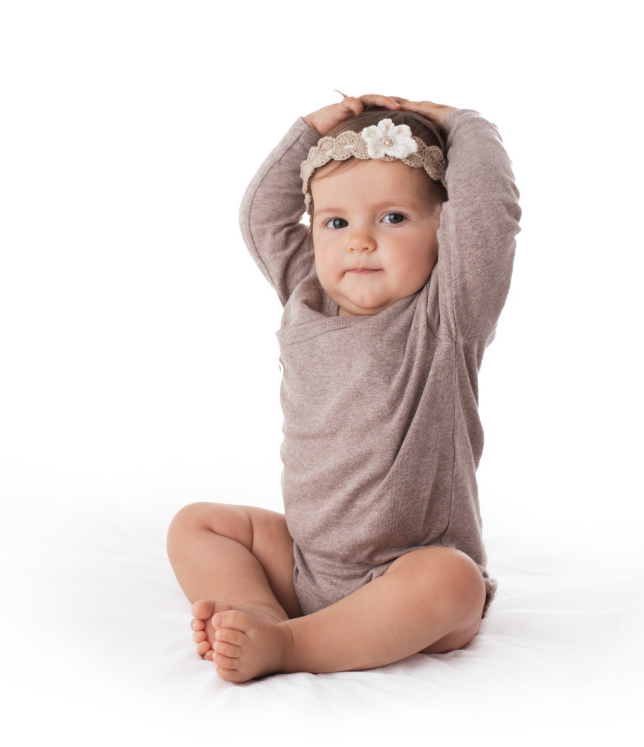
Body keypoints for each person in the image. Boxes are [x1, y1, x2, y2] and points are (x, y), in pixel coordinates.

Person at [165, 92, 521, 682]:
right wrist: (308, 130)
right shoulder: (306, 295)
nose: (359, 240)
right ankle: (257, 611)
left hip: (407, 576)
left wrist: (463, 123)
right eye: (336, 222)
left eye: (393, 218)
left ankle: (288, 646)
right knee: (197, 523)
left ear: (444, 230)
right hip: (308, 567)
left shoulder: (447, 315)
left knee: (453, 581)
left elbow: (491, 212)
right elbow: (261, 214)